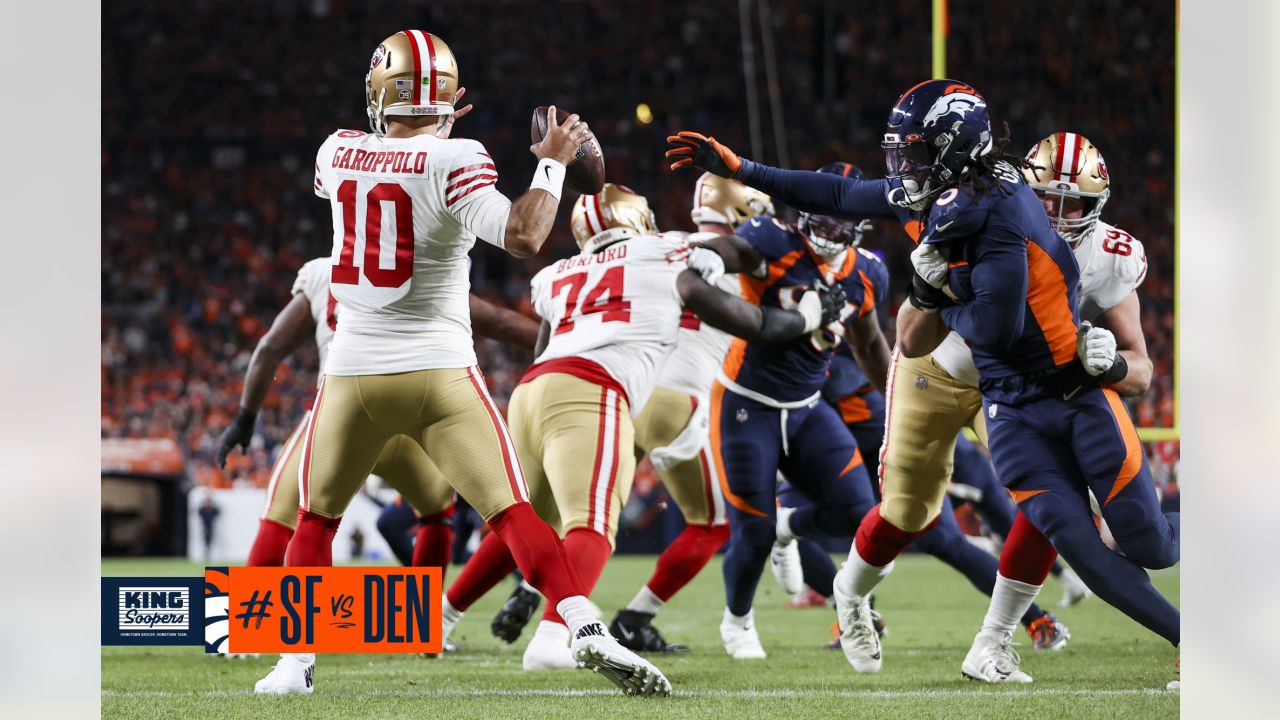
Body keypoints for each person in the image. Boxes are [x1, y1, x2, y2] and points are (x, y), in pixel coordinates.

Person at [665, 80, 1177, 682]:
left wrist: (934, 287)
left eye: (915, 151)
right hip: (953, 378)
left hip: (1029, 382)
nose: (904, 165)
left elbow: (999, 327)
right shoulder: (945, 191)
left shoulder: (1001, 210)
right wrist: (742, 167)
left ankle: (998, 640)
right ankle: (853, 599)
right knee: (911, 509)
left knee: (1127, 539)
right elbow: (841, 193)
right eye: (901, 150)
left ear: (955, 148)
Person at [252, 29, 669, 697]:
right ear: (449, 98)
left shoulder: (336, 151)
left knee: (317, 519)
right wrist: (552, 162)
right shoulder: (458, 159)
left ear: (380, 93)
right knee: (513, 514)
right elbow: (526, 234)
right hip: (439, 371)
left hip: (353, 373)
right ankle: (582, 623)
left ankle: (292, 665)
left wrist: (429, 119)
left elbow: (381, 163)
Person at [439, 183, 843, 670]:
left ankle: (446, 616)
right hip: (648, 395)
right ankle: (567, 631)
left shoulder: (555, 272)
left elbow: (543, 344)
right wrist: (805, 317)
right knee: (668, 521)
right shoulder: (675, 250)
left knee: (525, 520)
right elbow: (752, 319)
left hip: (536, 390)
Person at [678, 175, 893, 661]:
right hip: (744, 403)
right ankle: (738, 621)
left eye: (840, 221)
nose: (828, 230)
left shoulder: (868, 274)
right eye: (820, 217)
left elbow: (871, 345)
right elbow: (737, 250)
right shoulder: (774, 238)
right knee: (750, 532)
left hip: (806, 407)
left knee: (860, 515)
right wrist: (716, 254)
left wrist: (898, 403)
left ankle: (788, 527)